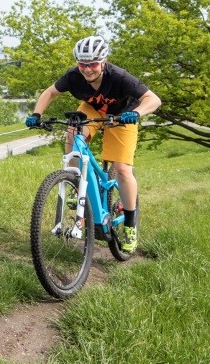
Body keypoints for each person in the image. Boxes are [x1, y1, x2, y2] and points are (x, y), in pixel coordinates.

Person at [24, 35, 161, 254]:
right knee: (72, 135)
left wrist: (135, 113)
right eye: (82, 64)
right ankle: (77, 182)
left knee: (123, 170)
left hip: (122, 115)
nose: (87, 69)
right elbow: (50, 92)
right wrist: (36, 114)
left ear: (103, 62)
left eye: (93, 64)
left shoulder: (119, 77)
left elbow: (153, 99)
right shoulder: (73, 76)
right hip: (92, 109)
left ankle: (130, 225)